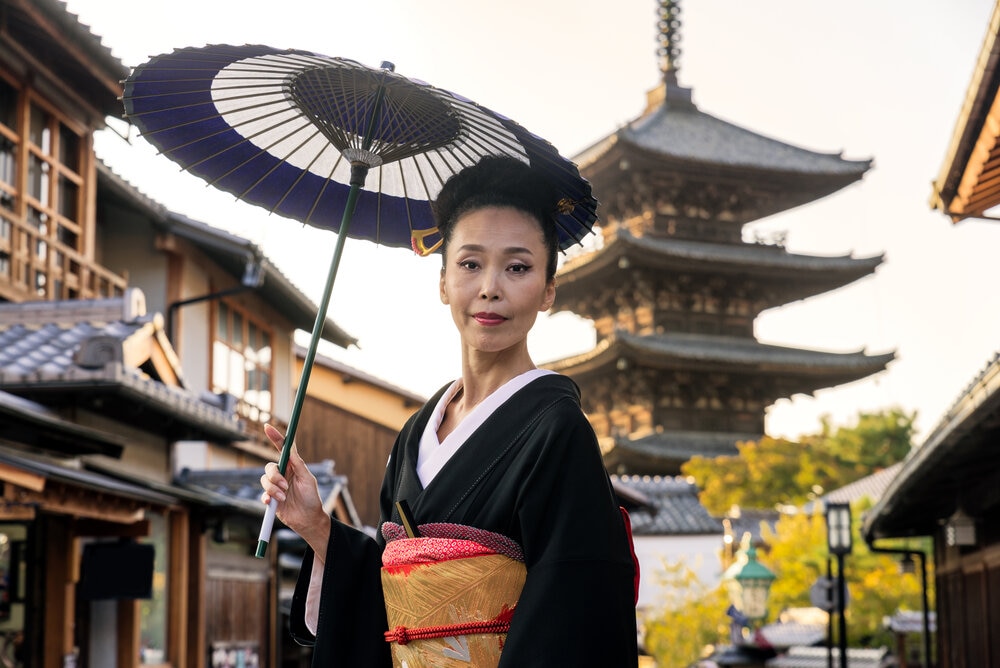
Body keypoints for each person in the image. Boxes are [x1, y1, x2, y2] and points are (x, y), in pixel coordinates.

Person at [260, 155, 639, 667]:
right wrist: (316, 527)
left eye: (518, 267)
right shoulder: (417, 433)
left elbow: (575, 614)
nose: (490, 288)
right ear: (442, 282)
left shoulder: (557, 430)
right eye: (470, 263)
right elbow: (393, 605)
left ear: (548, 290)